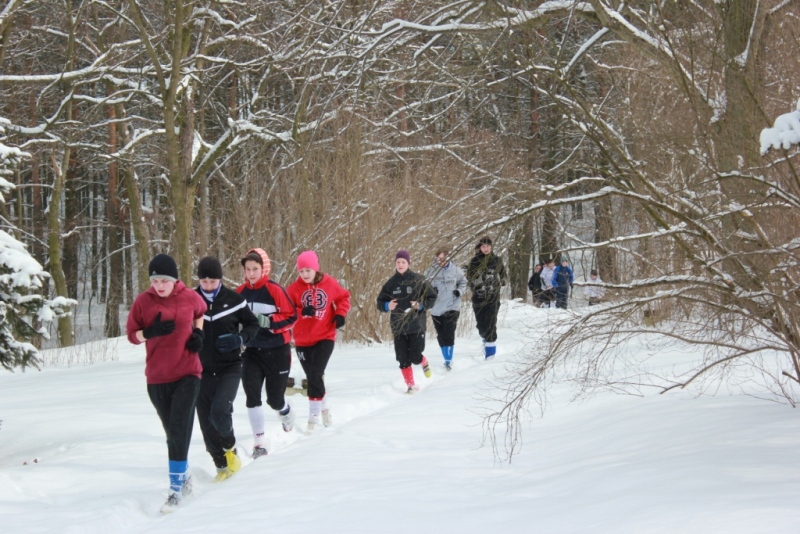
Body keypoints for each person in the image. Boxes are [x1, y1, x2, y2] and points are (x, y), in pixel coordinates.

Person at [126, 253, 207, 513]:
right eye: (155, 281)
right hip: (157, 377)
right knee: (172, 433)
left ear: (174, 280)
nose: (159, 285)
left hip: (188, 372)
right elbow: (132, 336)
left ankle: (175, 491)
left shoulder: (188, 296)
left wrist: (198, 333)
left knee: (178, 429)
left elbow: (201, 313)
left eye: (164, 280)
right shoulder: (143, 302)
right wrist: (148, 332)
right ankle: (184, 475)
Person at [194, 257, 260, 481]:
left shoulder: (234, 300)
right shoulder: (191, 301)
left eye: (212, 281)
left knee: (219, 411)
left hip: (230, 367)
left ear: (220, 279)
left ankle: (230, 450)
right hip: (200, 369)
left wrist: (239, 339)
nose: (208, 286)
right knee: (205, 421)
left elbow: (253, 324)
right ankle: (221, 466)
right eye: (204, 281)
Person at [236, 248, 298, 457]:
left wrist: (267, 321)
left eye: (255, 269)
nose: (251, 273)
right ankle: (259, 442)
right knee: (252, 394)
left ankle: (285, 411)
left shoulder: (274, 290)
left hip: (277, 351)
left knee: (274, 400)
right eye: (247, 269)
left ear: (264, 269)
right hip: (252, 351)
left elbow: (291, 317)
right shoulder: (240, 292)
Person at [286, 250, 351, 433]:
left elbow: (344, 297)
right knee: (314, 377)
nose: (305, 274)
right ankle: (324, 407)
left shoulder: (329, 283)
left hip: (325, 336)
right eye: (301, 271)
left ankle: (313, 418)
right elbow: (285, 311)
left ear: (316, 269)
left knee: (315, 374)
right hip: (302, 340)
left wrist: (340, 314)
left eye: (308, 270)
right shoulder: (293, 289)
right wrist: (301, 312)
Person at [376, 250, 438, 393]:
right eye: (398, 262)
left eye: (403, 262)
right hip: (398, 326)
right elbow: (380, 302)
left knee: (415, 357)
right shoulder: (391, 283)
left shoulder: (419, 280)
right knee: (402, 358)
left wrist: (420, 305)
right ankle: (411, 386)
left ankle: (423, 361)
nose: (400, 264)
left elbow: (432, 297)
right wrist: (387, 305)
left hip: (416, 325)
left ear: (408, 263)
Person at [424, 247, 467, 370]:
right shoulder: (431, 272)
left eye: (445, 259)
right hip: (436, 308)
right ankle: (446, 358)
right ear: (436, 259)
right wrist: (431, 291)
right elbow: (424, 286)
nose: (442, 262)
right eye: (440, 259)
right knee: (441, 335)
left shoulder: (456, 270)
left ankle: (449, 360)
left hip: (452, 306)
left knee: (449, 332)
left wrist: (459, 291)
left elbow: (464, 282)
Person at [466, 237, 507, 360]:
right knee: (481, 326)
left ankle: (490, 354)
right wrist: (475, 283)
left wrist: (503, 281)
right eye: (483, 246)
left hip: (493, 297)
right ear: (480, 248)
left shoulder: (496, 260)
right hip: (478, 297)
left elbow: (503, 274)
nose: (486, 249)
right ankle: (486, 339)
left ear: (491, 247)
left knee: (490, 323)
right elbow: (469, 278)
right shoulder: (474, 261)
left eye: (488, 246)